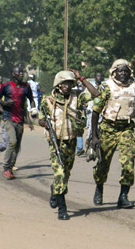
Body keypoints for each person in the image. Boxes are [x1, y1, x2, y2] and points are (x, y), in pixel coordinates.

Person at [38, 70, 99, 220]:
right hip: (55, 143)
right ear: (58, 84)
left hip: (70, 141)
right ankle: (62, 208)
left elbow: (95, 94)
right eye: (64, 83)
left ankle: (55, 190)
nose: (67, 86)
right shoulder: (48, 100)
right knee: (59, 173)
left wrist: (81, 79)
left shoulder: (77, 97)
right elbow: (39, 118)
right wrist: (44, 123)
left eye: (70, 83)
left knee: (66, 174)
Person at [90, 59, 135, 208]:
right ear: (114, 72)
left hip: (127, 128)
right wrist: (94, 135)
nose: (123, 74)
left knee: (128, 162)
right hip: (108, 128)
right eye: (120, 71)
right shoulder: (106, 87)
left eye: (126, 71)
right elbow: (95, 111)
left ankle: (123, 196)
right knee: (103, 162)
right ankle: (99, 187)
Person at [0, 66, 35, 179]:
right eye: (19, 72)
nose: (21, 74)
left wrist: (33, 110)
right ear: (13, 74)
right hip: (8, 117)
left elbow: (31, 100)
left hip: (20, 119)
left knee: (17, 146)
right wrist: (5, 103)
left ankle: (10, 168)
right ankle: (6, 166)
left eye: (22, 72)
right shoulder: (6, 86)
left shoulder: (26, 87)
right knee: (12, 141)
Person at [79, 72, 105, 157]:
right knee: (91, 129)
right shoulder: (90, 86)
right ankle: (88, 145)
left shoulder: (105, 86)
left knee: (100, 128)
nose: (99, 77)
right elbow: (84, 96)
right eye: (97, 76)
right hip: (91, 110)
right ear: (94, 77)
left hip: (102, 111)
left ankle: (97, 147)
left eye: (100, 76)